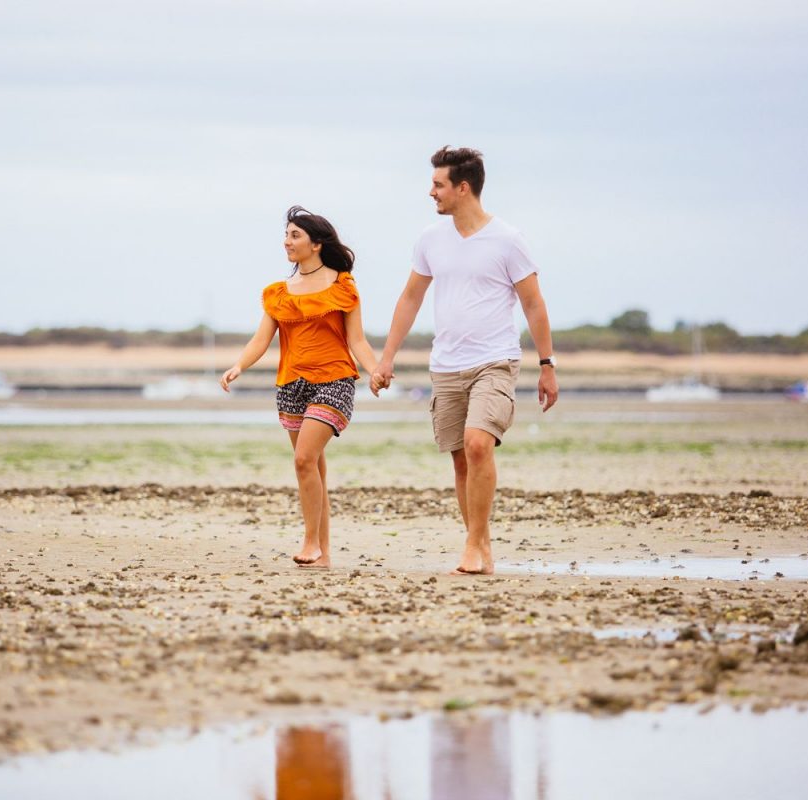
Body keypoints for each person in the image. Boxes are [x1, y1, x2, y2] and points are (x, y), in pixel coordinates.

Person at [371, 147, 559, 575]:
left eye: (438, 185)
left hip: (494, 361)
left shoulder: (509, 240)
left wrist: (547, 365)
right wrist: (386, 358)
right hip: (446, 365)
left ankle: (474, 545)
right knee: (460, 458)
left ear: (463, 187)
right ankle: (481, 542)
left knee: (478, 443)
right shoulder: (430, 240)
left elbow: (533, 304)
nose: (431, 192)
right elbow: (411, 298)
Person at [221, 206, 379, 569]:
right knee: (314, 468)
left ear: (317, 244)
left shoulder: (343, 286)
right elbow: (260, 340)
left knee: (304, 459)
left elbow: (357, 341)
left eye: (295, 236)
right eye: (286, 235)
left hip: (335, 380)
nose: (287, 242)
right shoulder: (279, 293)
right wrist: (238, 365)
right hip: (291, 384)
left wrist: (374, 370)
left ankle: (309, 541)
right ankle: (322, 553)